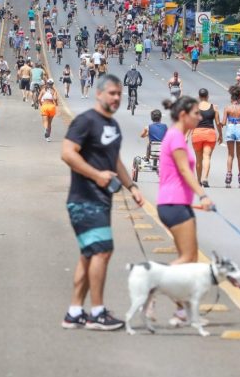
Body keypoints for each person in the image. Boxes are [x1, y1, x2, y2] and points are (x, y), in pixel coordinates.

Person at [60, 74, 143, 331]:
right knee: (102, 251)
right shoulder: (85, 121)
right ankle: (97, 312)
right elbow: (67, 153)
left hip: (101, 199)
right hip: (84, 198)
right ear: (99, 94)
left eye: (119, 94)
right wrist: (97, 175)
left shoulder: (113, 126)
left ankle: (74, 312)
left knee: (89, 255)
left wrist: (131, 186)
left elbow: (114, 161)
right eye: (112, 93)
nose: (116, 98)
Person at [156, 95, 215, 325]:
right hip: (174, 203)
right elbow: (184, 169)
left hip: (178, 202)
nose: (200, 118)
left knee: (189, 261)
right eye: (196, 114)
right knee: (187, 259)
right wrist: (203, 195)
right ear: (183, 115)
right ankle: (153, 286)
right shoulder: (176, 138)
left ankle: (183, 311)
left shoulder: (176, 135)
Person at [190, 88, 222, 187]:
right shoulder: (214, 107)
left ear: (199, 97)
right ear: (208, 96)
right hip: (210, 134)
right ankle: (205, 178)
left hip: (197, 134)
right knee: (207, 157)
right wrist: (220, 134)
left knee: (198, 158)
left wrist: (186, 135)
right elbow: (217, 123)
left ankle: (198, 180)